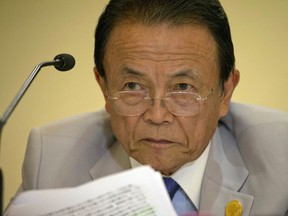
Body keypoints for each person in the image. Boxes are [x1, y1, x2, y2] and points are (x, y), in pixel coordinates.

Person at [4, 0, 288, 215]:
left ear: (225, 92)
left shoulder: (281, 159)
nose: (157, 115)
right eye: (132, 86)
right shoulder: (53, 163)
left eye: (183, 87)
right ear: (104, 87)